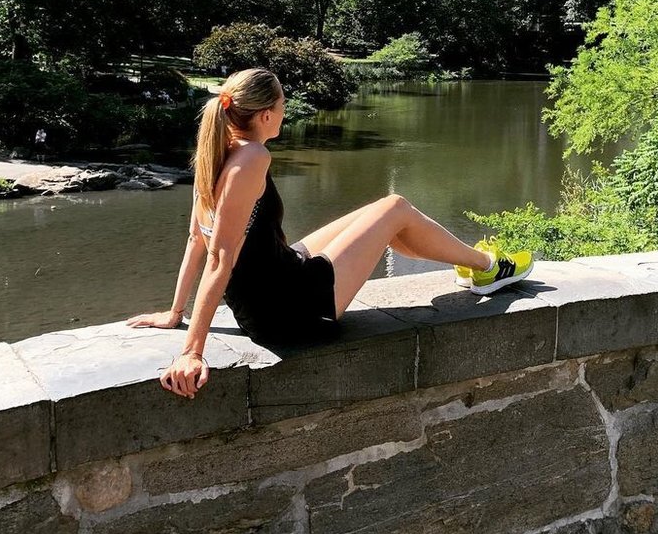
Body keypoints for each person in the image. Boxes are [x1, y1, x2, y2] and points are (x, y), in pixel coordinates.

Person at [128, 68, 533, 400]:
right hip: (293, 312)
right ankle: (488, 266)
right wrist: (192, 351)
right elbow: (219, 255)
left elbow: (196, 239)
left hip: (275, 287)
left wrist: (175, 313)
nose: (284, 113)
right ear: (266, 115)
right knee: (395, 210)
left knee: (384, 213)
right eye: (283, 106)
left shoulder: (216, 154)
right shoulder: (252, 157)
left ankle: (476, 264)